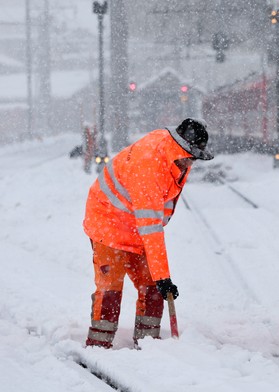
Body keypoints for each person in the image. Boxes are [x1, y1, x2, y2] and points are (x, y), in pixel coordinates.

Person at [83, 118, 214, 348]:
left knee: (152, 288)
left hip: (135, 224)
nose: (191, 163)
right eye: (190, 157)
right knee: (111, 290)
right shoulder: (149, 168)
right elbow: (152, 228)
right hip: (108, 222)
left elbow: (156, 216)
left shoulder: (174, 158)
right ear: (180, 148)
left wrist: (159, 279)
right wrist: (164, 277)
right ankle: (98, 346)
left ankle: (149, 345)